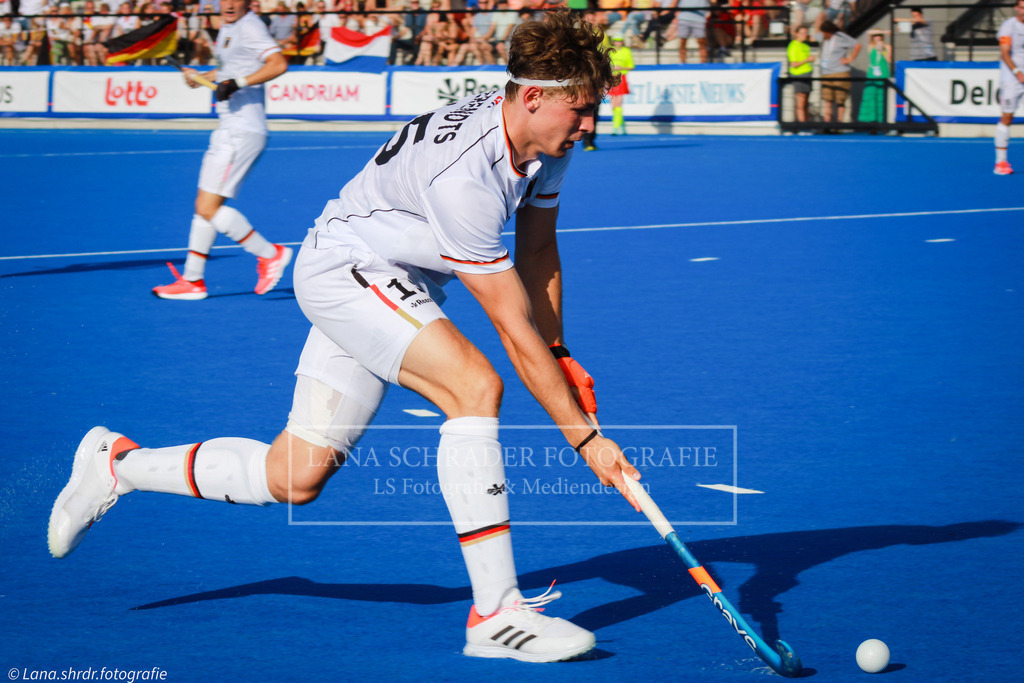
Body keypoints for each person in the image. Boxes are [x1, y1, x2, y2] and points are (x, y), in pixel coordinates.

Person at [49, 9, 639, 664]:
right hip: (346, 272)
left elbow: (537, 252)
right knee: (474, 386)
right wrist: (586, 438)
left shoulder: (542, 142)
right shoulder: (465, 176)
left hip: (389, 283)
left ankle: (118, 463)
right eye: (581, 111)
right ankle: (495, 613)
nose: (590, 126)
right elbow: (509, 322)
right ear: (534, 96)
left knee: (292, 476)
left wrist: (561, 353)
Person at [152, 0, 291, 299]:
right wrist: (204, 75)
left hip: (241, 130)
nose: (228, 3)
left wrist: (238, 83)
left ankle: (269, 253)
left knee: (206, 207)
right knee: (205, 206)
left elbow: (278, 64)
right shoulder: (231, 27)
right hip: (231, 128)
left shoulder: (250, 26)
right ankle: (192, 281)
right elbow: (233, 69)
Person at [994, 0, 1024, 175]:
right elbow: (1004, 52)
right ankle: (1000, 163)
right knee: (1007, 117)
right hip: (1012, 78)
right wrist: (1017, 72)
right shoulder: (1008, 26)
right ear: (1016, 8)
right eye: (1021, 7)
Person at [817, 19, 859, 129]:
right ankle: (827, 124)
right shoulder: (822, 37)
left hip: (840, 72)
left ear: (830, 31)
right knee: (827, 99)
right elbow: (813, 35)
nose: (824, 35)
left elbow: (857, 45)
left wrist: (850, 59)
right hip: (826, 72)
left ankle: (839, 124)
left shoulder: (840, 37)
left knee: (840, 100)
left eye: (825, 33)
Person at [857, 30, 890, 124]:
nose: (878, 37)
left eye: (880, 36)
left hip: (883, 73)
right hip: (872, 73)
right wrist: (884, 31)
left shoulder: (887, 47)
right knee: (871, 96)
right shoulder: (870, 47)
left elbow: (889, 59)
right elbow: (867, 32)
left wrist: (883, 50)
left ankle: (882, 121)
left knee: (882, 97)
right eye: (876, 36)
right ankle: (871, 120)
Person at [786, 23, 813, 128]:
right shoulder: (793, 45)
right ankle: (802, 125)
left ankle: (806, 124)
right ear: (796, 34)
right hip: (799, 75)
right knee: (800, 101)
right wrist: (807, 59)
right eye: (802, 33)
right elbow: (794, 64)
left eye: (806, 33)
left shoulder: (806, 46)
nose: (804, 35)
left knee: (806, 101)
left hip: (807, 74)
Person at [608, 32, 633, 133]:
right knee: (614, 104)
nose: (618, 43)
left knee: (618, 103)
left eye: (620, 41)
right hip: (611, 78)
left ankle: (616, 126)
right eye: (616, 41)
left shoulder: (627, 51)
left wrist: (620, 67)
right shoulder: (610, 51)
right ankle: (621, 125)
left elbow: (631, 66)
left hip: (621, 77)